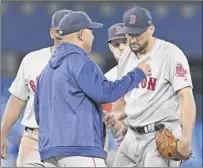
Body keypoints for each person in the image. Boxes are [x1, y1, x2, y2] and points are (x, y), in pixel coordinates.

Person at [34, 11, 152, 167]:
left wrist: (93, 116)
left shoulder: (46, 71)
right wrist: (138, 73)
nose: (94, 37)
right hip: (80, 150)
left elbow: (39, 115)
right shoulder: (79, 61)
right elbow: (106, 92)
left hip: (50, 153)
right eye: (91, 32)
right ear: (81, 34)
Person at [105, 7, 196, 167]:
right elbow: (123, 99)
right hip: (131, 136)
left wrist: (186, 138)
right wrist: (115, 114)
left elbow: (186, 98)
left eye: (137, 34)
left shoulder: (170, 54)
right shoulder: (126, 57)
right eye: (129, 34)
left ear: (151, 29)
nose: (132, 39)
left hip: (159, 135)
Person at [0, 9, 73, 167]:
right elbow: (17, 99)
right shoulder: (32, 60)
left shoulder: (85, 65)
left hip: (71, 139)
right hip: (34, 138)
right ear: (52, 33)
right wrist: (3, 131)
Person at [103, 23, 129, 147]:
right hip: (123, 145)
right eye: (116, 44)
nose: (121, 48)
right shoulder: (107, 79)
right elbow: (105, 115)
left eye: (125, 42)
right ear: (110, 47)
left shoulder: (149, 70)